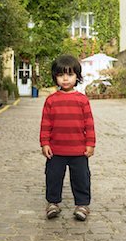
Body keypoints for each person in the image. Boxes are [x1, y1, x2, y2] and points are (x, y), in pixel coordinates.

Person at [40, 54, 96, 221]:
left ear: (77, 77)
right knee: (53, 176)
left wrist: (90, 144)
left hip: (78, 150)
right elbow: (45, 124)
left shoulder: (82, 100)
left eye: (70, 74)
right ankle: (53, 203)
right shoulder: (51, 101)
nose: (65, 79)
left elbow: (89, 124)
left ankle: (82, 205)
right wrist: (45, 143)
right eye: (61, 75)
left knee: (81, 178)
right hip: (56, 150)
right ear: (55, 77)